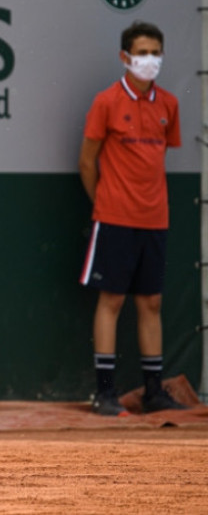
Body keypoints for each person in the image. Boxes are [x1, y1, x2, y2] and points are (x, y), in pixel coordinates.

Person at [78, 20, 187, 416]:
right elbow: (87, 162)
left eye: (155, 53)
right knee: (111, 300)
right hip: (114, 217)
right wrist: (105, 202)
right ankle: (104, 392)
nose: (149, 60)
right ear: (125, 57)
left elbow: (160, 157)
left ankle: (154, 391)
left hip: (155, 218)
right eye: (141, 53)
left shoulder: (169, 105)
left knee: (152, 303)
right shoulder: (106, 102)